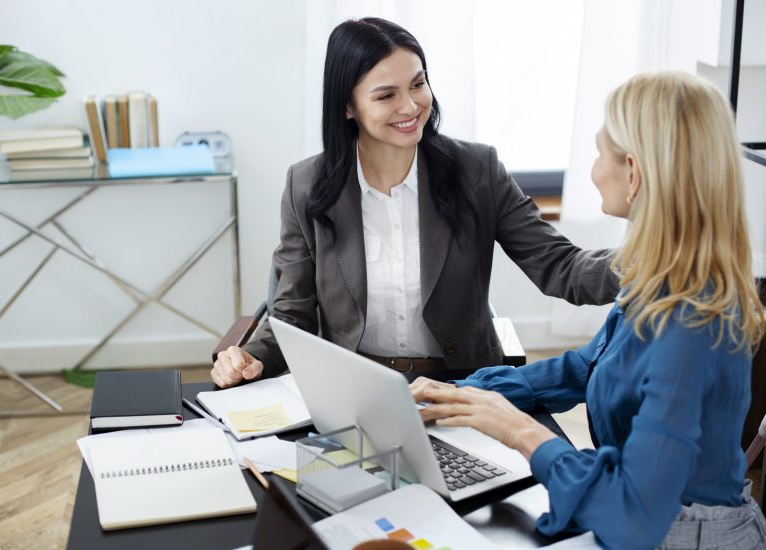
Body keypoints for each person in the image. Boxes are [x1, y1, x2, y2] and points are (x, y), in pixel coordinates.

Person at [412, 71, 766, 549]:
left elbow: (633, 515)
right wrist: (466, 394)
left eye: (600, 154)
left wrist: (517, 430)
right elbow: (590, 365)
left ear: (634, 173)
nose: (595, 170)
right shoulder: (662, 275)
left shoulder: (690, 325)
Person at [211, 17, 618, 389]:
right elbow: (292, 314)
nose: (410, 106)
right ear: (348, 106)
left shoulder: (477, 171)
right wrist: (250, 358)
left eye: (418, 84)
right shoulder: (307, 184)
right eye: (386, 95)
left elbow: (560, 266)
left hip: (463, 384)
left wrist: (654, 260)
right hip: (356, 387)